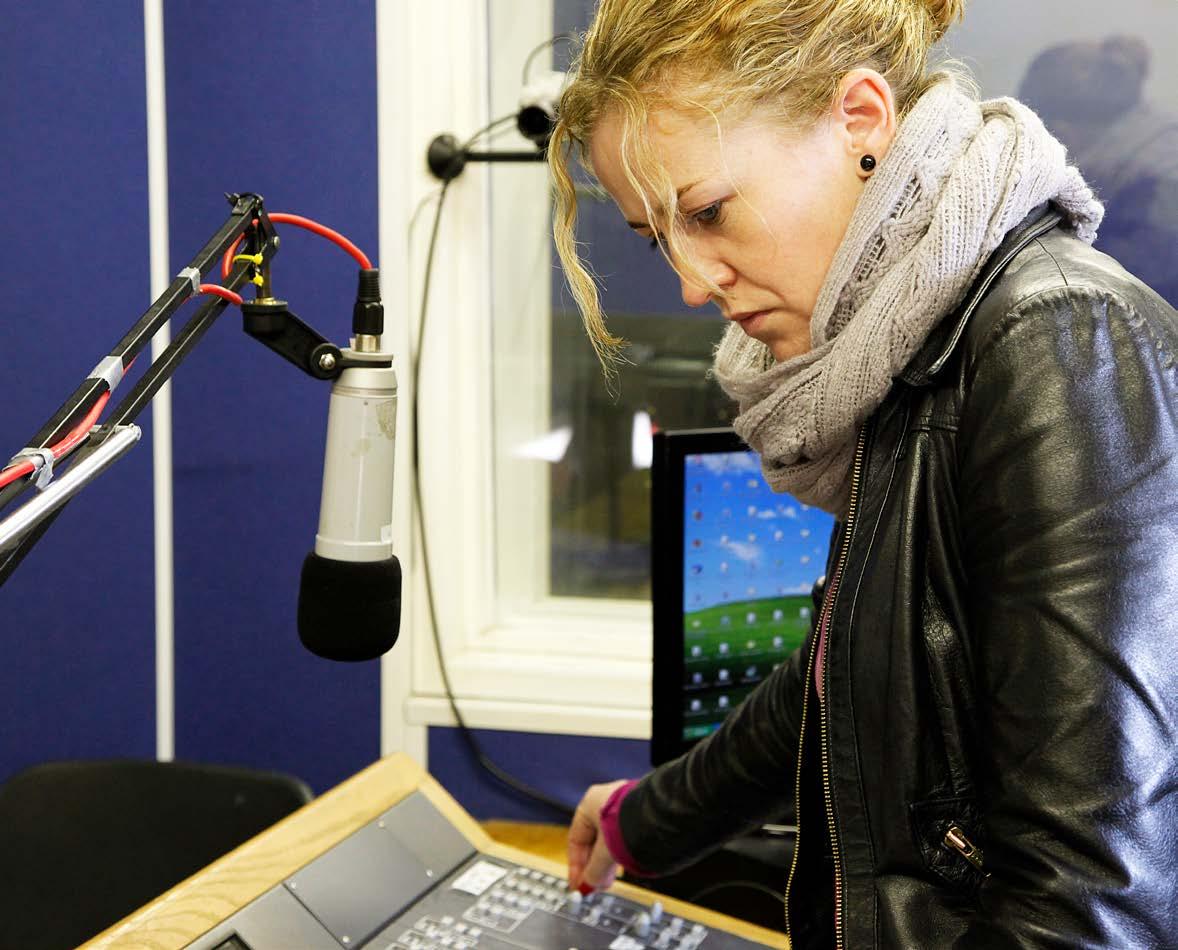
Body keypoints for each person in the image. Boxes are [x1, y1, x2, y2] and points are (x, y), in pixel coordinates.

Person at [545, 0, 1178, 946]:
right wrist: (647, 818)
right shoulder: (897, 346)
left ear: (861, 121)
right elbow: (856, 664)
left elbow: (1089, 908)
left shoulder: (1051, 341)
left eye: (708, 212)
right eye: (658, 235)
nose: (691, 281)